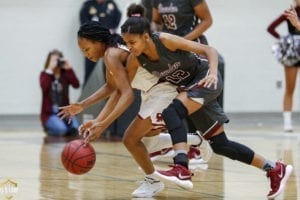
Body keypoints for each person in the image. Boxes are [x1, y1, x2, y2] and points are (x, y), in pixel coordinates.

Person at [120, 16, 293, 199]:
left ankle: (181, 167)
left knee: (171, 112)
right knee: (221, 145)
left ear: (146, 37)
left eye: (132, 42)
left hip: (204, 78)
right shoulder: (137, 59)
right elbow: (119, 88)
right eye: (126, 43)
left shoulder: (165, 40)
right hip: (190, 90)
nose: (130, 46)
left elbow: (209, 50)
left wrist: (212, 73)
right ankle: (274, 169)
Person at [58, 20, 206, 197]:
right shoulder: (114, 50)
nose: (85, 54)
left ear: (97, 42)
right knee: (149, 142)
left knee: (130, 139)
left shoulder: (111, 55)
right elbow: (112, 87)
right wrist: (86, 108)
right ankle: (196, 140)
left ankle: (153, 181)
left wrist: (103, 124)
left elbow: (126, 95)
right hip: (152, 91)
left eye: (86, 49)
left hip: (162, 91)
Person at [267, 0, 300, 132]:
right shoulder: (290, 12)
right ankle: (287, 123)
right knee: (290, 87)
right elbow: (271, 28)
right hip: (292, 51)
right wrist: (284, 39)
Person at [79, 0, 122, 86]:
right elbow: (84, 22)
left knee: (110, 68)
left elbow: (118, 16)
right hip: (92, 42)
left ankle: (111, 90)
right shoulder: (88, 5)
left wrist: (111, 30)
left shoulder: (111, 4)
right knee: (90, 70)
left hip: (109, 41)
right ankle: (86, 92)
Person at [39, 49, 80, 136]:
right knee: (61, 130)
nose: (56, 63)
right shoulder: (44, 74)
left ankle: (63, 127)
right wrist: (50, 69)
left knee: (76, 128)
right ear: (49, 61)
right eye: (53, 60)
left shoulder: (65, 74)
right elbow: (44, 87)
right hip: (50, 113)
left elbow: (76, 85)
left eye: (58, 60)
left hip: (64, 111)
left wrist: (69, 68)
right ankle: (49, 128)